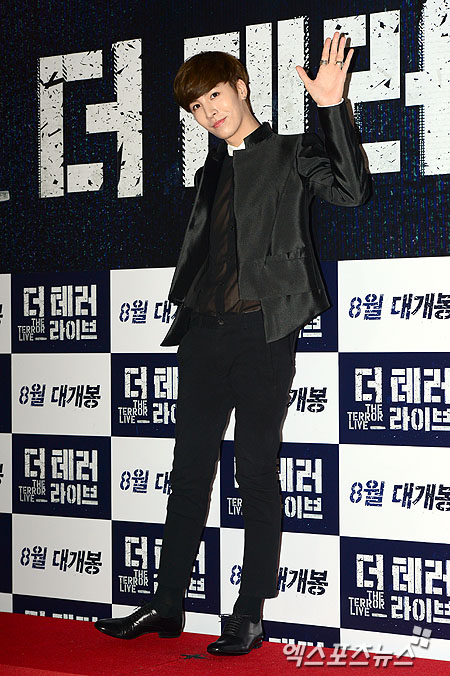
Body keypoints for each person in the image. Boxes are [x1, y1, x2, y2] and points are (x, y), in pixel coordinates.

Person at [95, 32, 370, 655]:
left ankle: (248, 613)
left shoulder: (293, 151)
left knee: (255, 471)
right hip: (203, 334)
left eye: (214, 96)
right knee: (188, 472)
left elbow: (353, 192)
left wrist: (332, 109)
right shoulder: (209, 171)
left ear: (241, 88)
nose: (208, 112)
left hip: (262, 332)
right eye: (196, 107)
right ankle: (167, 603)